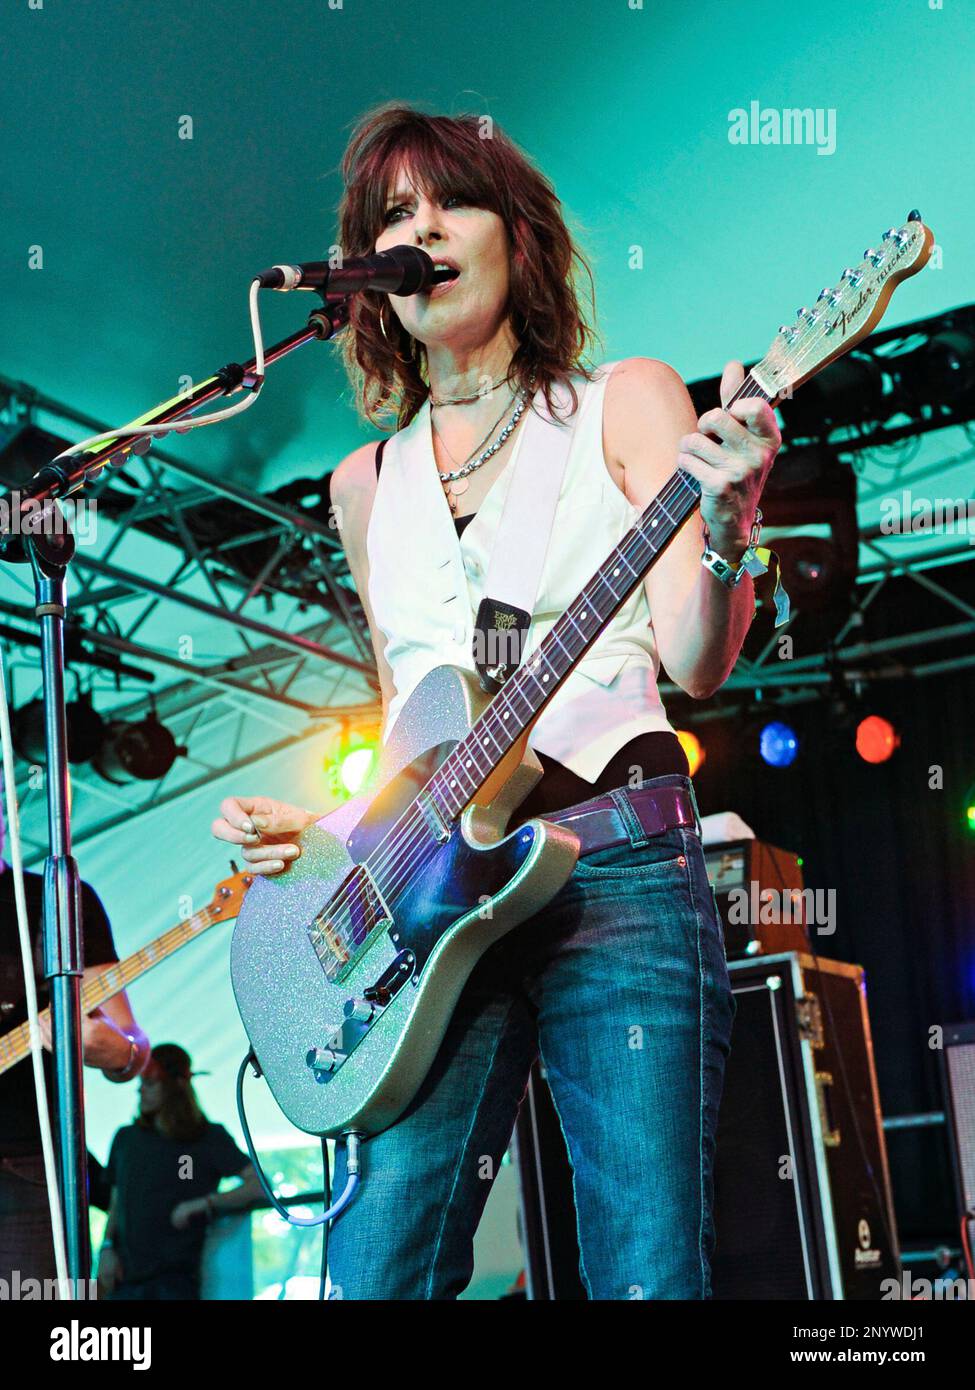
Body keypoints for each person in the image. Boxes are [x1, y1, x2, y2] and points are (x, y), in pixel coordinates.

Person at [211, 104, 782, 1299]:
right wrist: (323, 843)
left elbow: (697, 659)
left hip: (614, 864)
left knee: (644, 1267)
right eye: (389, 219)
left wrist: (728, 532)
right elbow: (413, 740)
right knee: (376, 1269)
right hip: (431, 913)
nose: (418, 232)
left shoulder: (625, 401)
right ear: (370, 281)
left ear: (515, 236)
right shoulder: (361, 485)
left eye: (446, 204)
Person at [0, 799, 149, 1287]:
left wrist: (117, 1052)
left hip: (28, 1167)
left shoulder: (58, 901)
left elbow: (133, 1043)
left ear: (6, 807)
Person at [99, 1043, 263, 1300]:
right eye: (140, 1082)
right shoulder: (126, 1138)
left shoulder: (208, 1138)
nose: (140, 1090)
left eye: (150, 1083)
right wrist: (106, 1248)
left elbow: (259, 1185)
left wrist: (204, 1203)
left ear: (175, 1086)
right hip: (124, 1281)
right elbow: (116, 1203)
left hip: (175, 1283)